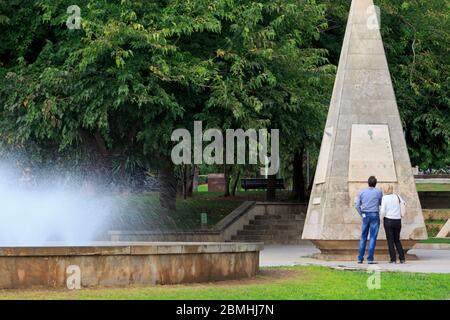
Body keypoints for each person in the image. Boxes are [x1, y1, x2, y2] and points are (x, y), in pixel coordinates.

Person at [354, 176, 383, 264]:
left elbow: (356, 205)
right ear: (375, 183)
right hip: (374, 214)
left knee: (363, 237)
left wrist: (362, 214)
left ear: (368, 182)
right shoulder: (378, 192)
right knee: (373, 237)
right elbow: (381, 203)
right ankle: (370, 259)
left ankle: (360, 258)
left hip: (365, 215)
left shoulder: (361, 192)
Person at [380, 184, 406, 263]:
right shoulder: (397, 196)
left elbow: (383, 211)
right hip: (398, 220)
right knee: (397, 240)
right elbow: (403, 203)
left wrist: (381, 218)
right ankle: (402, 258)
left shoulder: (384, 198)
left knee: (390, 241)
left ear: (384, 190)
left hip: (388, 220)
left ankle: (393, 259)